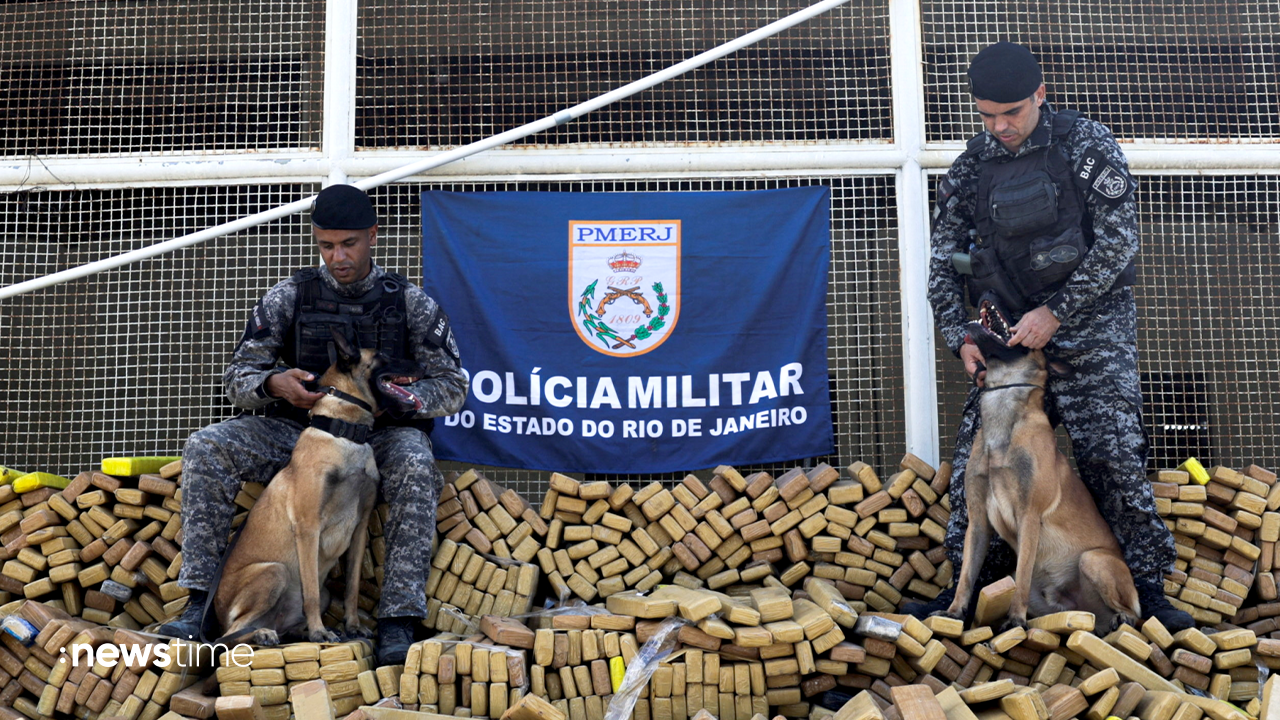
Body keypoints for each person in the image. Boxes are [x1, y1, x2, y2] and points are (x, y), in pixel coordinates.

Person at [908, 42, 1192, 630]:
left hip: (1090, 333)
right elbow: (943, 263)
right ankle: (973, 599)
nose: (1000, 126)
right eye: (986, 115)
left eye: (1011, 111)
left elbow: (1119, 243)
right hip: (1009, 348)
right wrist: (958, 336)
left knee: (1111, 457)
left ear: (1041, 94)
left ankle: (1147, 593)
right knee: (975, 469)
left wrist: (1057, 311)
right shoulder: (970, 168)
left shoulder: (1085, 145)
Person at [156, 184, 469, 664]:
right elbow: (237, 377)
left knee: (414, 462)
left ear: (373, 236)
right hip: (296, 431)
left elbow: (452, 386)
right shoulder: (291, 295)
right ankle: (199, 607)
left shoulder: (409, 302)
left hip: (380, 435)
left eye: (349, 244)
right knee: (207, 445)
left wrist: (398, 400)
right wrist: (275, 384)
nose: (338, 256)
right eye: (326, 245)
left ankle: (396, 622)